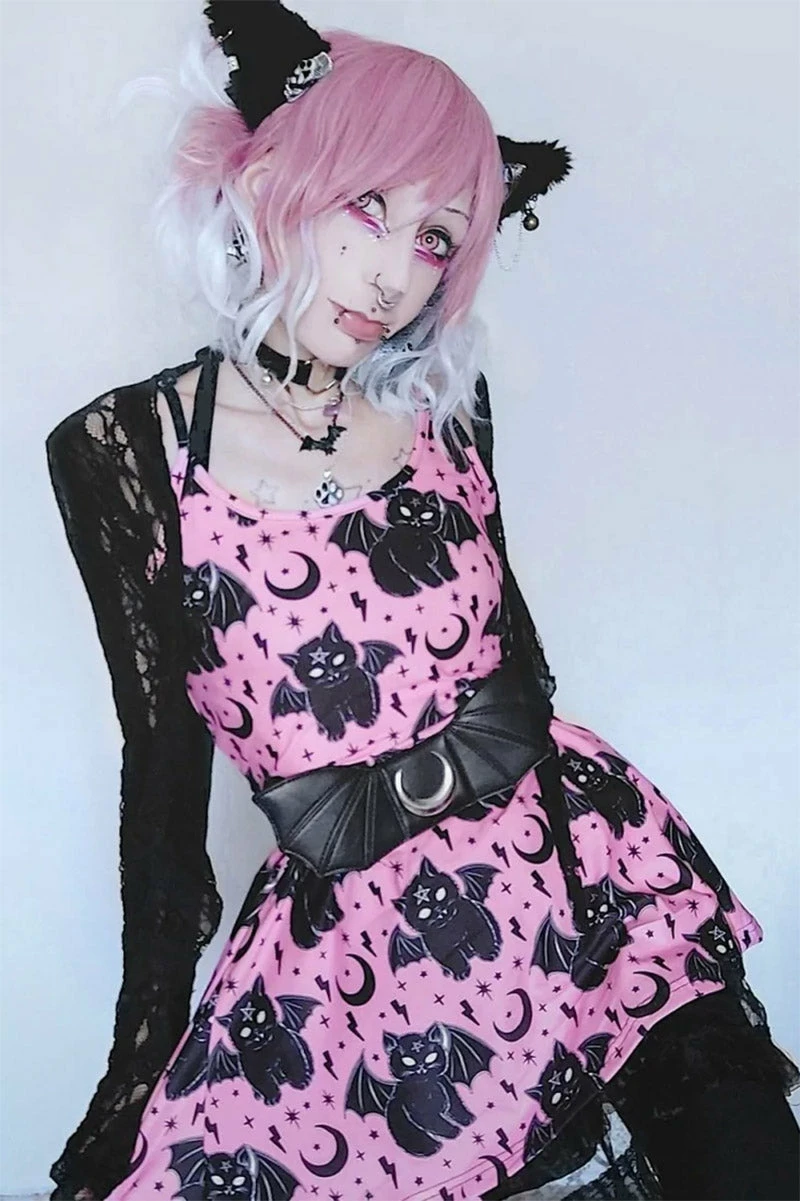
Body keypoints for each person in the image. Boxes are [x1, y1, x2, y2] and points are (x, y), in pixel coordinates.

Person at [46, 3, 798, 1200]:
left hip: (580, 879)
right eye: (368, 208)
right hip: (357, 958)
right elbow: (166, 781)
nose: (394, 275)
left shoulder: (448, 410)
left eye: (437, 237)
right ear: (271, 176)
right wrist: (135, 1070)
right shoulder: (126, 448)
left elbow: (520, 669)